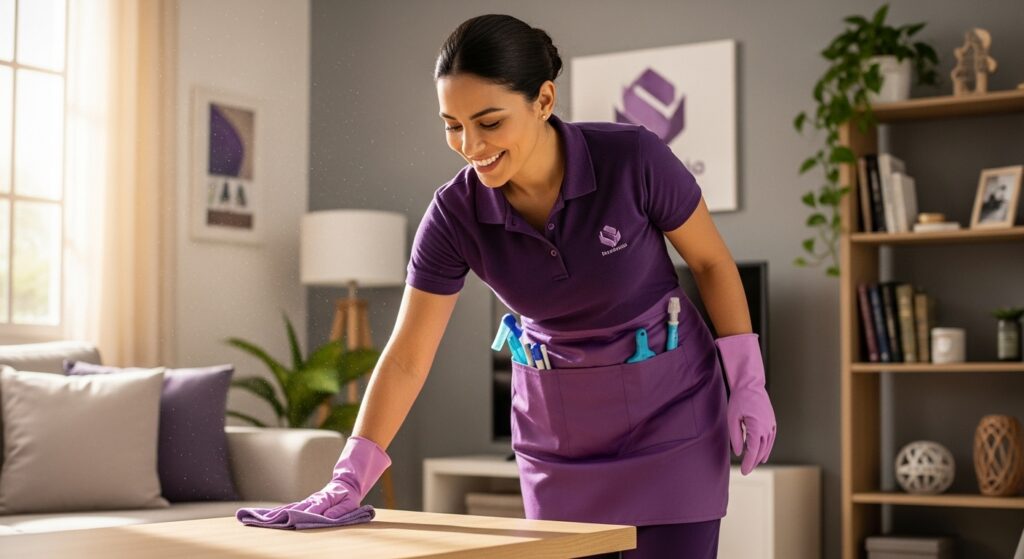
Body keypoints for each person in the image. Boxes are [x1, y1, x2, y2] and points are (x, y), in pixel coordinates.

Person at [236, 14, 776, 558]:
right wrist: (349, 475)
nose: (471, 145)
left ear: (543, 100)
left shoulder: (632, 159)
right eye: (452, 124)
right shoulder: (455, 215)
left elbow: (710, 263)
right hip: (560, 442)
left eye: (489, 122)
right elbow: (406, 356)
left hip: (672, 424)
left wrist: (748, 383)